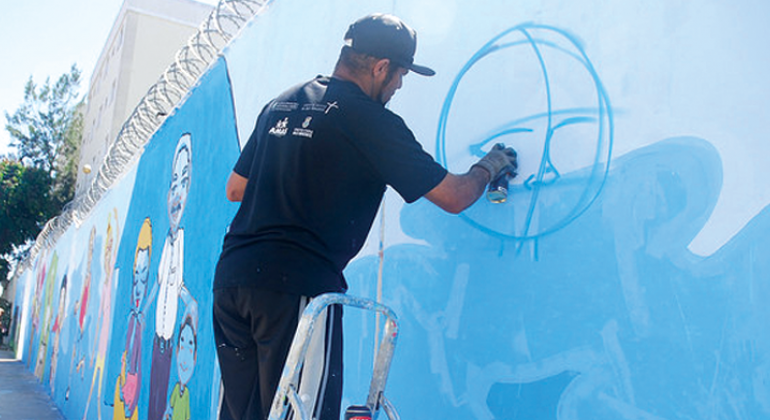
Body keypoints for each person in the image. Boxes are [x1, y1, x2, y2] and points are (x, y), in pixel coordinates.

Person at [212, 13, 518, 420]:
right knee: (300, 413)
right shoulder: (371, 122)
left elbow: (235, 187)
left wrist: (294, 172)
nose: (398, 87)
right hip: (296, 289)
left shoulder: (283, 102)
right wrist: (490, 166)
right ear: (380, 67)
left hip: (232, 281)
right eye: (399, 76)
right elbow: (453, 196)